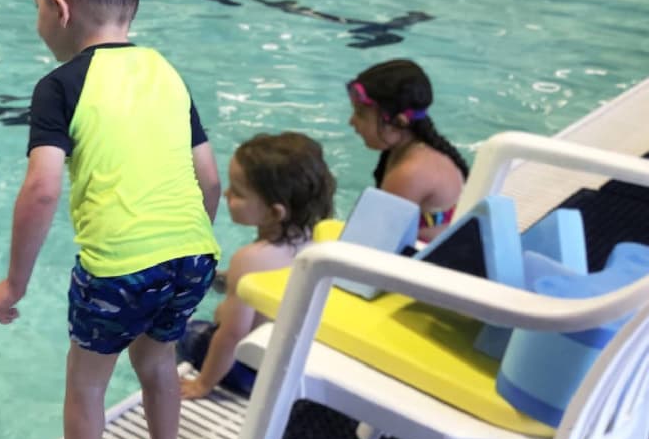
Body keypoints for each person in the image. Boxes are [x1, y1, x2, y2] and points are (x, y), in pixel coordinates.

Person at [0, 0, 221, 439]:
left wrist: (14, 283)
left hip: (119, 269)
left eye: (37, 8)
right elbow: (209, 180)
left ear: (59, 9)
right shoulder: (167, 73)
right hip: (193, 255)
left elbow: (41, 191)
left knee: (87, 383)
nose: (38, 21)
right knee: (158, 363)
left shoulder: (60, 85)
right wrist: (187, 248)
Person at [178, 132, 336, 400]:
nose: (227, 194)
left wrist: (202, 384)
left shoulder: (250, 259)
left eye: (237, 192)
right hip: (289, 368)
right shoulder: (319, 240)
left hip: (249, 372)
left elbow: (231, 336)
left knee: (177, 329)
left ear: (275, 212)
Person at [346, 59, 470, 243]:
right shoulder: (413, 150)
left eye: (361, 114)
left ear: (399, 122)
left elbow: (376, 244)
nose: (352, 122)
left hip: (429, 266)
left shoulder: (410, 173)